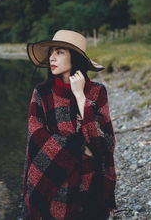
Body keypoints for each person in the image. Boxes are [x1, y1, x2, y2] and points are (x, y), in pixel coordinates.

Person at [21, 30, 117, 220]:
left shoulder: (97, 92)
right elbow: (37, 135)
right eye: (51, 52)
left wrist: (80, 96)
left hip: (89, 184)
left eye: (59, 52)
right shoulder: (42, 92)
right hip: (54, 183)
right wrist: (79, 146)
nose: (52, 58)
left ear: (75, 58)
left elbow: (104, 144)